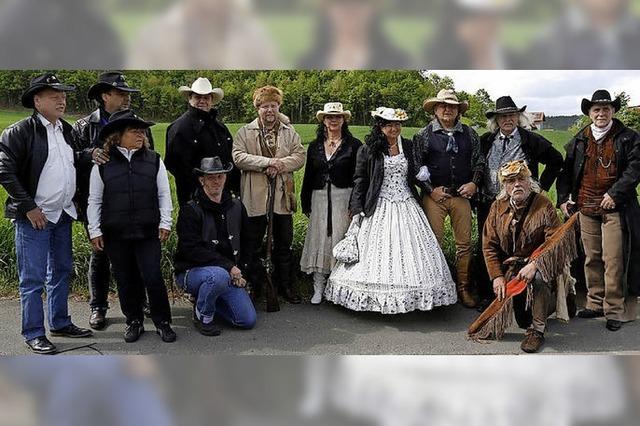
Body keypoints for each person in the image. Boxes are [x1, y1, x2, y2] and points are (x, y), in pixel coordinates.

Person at [325, 107, 457, 313]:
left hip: (407, 203)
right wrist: (356, 206)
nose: (393, 128)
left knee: (411, 251)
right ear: (380, 126)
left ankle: (413, 296)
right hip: (379, 204)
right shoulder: (369, 149)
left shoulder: (408, 145)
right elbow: (360, 179)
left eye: (397, 124)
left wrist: (429, 186)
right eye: (388, 124)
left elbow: (414, 175)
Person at [0, 73, 92, 354]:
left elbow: (68, 161)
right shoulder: (19, 132)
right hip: (35, 218)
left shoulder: (65, 129)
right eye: (55, 96)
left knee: (62, 270)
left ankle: (60, 322)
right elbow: (4, 170)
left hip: (62, 215)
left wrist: (90, 155)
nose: (62, 100)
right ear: (37, 100)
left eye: (63, 96)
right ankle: (34, 332)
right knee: (33, 278)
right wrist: (29, 207)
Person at [87, 109, 175, 343]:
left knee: (153, 276)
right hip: (116, 232)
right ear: (118, 135)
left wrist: (165, 221)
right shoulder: (103, 164)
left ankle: (162, 321)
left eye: (142, 130)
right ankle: (134, 321)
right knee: (125, 278)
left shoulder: (154, 159)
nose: (141, 134)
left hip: (148, 231)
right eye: (134, 130)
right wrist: (94, 230)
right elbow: (94, 199)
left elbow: (164, 194)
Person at [73, 71, 151, 331]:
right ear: (105, 96)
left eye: (127, 94)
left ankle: (139, 303)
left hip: (131, 203)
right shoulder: (84, 126)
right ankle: (98, 306)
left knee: (136, 253)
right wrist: (89, 154)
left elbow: (146, 156)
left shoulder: (133, 123)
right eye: (120, 93)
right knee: (100, 254)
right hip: (97, 202)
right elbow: (68, 158)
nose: (126, 98)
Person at [557, 89, 640, 331]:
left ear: (613, 111)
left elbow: (634, 170)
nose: (601, 113)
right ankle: (595, 302)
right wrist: (563, 198)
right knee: (592, 257)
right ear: (590, 113)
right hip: (586, 207)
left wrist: (614, 194)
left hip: (616, 208)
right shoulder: (580, 139)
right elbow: (565, 172)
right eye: (596, 109)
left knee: (613, 259)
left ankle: (614, 309)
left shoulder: (629, 138)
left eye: (605, 109)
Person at [476, 95, 564, 310]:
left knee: (520, 247)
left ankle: (521, 293)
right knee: (489, 247)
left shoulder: (529, 139)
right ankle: (490, 294)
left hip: (521, 204)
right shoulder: (486, 140)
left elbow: (556, 160)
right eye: (503, 116)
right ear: (496, 120)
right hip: (491, 203)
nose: (508, 119)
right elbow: (477, 166)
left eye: (512, 115)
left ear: (518, 117)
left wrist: (541, 186)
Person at [232, 85, 306, 304]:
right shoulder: (245, 132)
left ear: (278, 107)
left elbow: (300, 155)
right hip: (254, 199)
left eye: (273, 105)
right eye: (265, 106)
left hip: (282, 199)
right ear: (258, 108)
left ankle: (285, 286)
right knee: (252, 245)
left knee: (284, 244)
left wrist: (280, 165)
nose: (269, 110)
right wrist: (266, 163)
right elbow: (238, 156)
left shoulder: (289, 132)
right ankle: (255, 286)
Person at [483, 160, 566, 353]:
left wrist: (535, 264)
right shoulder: (497, 207)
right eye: (511, 181)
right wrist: (497, 276)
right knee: (522, 319)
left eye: (521, 179)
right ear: (505, 186)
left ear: (530, 181)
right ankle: (553, 305)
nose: (517, 184)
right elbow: (489, 245)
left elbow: (554, 242)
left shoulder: (543, 204)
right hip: (512, 267)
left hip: (541, 264)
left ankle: (537, 331)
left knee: (538, 278)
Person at [414, 89, 485, 308]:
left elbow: (479, 162)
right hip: (435, 196)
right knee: (433, 243)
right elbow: (416, 166)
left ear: (458, 111)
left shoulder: (470, 134)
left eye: (452, 106)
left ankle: (463, 287)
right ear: (435, 109)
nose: (447, 110)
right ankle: (435, 287)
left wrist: (474, 183)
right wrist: (429, 189)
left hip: (461, 196)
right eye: (443, 106)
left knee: (464, 245)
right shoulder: (423, 134)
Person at [174, 157, 257, 336]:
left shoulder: (236, 205)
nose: (216, 181)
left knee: (247, 320)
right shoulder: (190, 210)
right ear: (201, 180)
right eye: (211, 177)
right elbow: (191, 250)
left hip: (229, 273)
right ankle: (203, 315)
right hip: (193, 272)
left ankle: (207, 300)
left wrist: (242, 270)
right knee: (217, 276)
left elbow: (248, 241)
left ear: (225, 178)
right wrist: (228, 267)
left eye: (220, 176)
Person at [300, 102, 361, 304]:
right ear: (324, 121)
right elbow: (309, 175)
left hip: (343, 198)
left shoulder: (354, 145)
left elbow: (359, 177)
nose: (333, 120)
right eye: (329, 117)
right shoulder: (315, 146)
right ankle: (318, 287)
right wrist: (305, 202)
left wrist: (355, 204)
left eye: (337, 117)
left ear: (343, 120)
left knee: (339, 239)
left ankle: (339, 288)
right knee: (320, 240)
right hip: (319, 198)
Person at [165, 77, 239, 207]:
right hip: (193, 197)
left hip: (222, 195)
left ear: (211, 100)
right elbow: (174, 165)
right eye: (198, 97)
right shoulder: (179, 128)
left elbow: (230, 159)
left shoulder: (220, 128)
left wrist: (234, 187)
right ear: (190, 98)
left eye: (206, 98)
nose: (202, 101)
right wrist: (200, 187)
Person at [298, 0, 410, 69]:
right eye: (341, 3)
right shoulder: (307, 61)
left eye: (359, 2)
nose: (350, 11)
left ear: (373, 9)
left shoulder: (398, 61)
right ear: (327, 10)